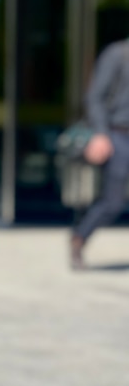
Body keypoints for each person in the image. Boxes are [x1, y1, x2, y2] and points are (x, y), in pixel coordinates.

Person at [70, 38, 129, 270]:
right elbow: (95, 97)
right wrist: (101, 134)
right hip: (118, 134)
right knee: (112, 202)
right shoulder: (118, 54)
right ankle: (79, 238)